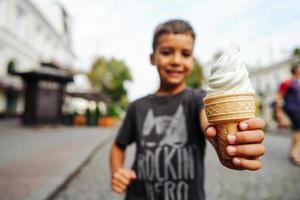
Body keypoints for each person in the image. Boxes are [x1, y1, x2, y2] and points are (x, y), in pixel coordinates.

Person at [109, 19, 266, 200]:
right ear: (152, 58)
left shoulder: (198, 100)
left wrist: (227, 143)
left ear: (192, 60)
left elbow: (208, 121)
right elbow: (118, 146)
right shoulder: (138, 107)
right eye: (167, 52)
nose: (176, 61)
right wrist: (117, 171)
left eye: (185, 53)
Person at [275, 64, 300, 166]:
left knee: (297, 130)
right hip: (292, 109)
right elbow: (279, 97)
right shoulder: (287, 82)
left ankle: (293, 152)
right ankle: (294, 153)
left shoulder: (298, 83)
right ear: (295, 70)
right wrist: (278, 112)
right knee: (298, 130)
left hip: (298, 109)